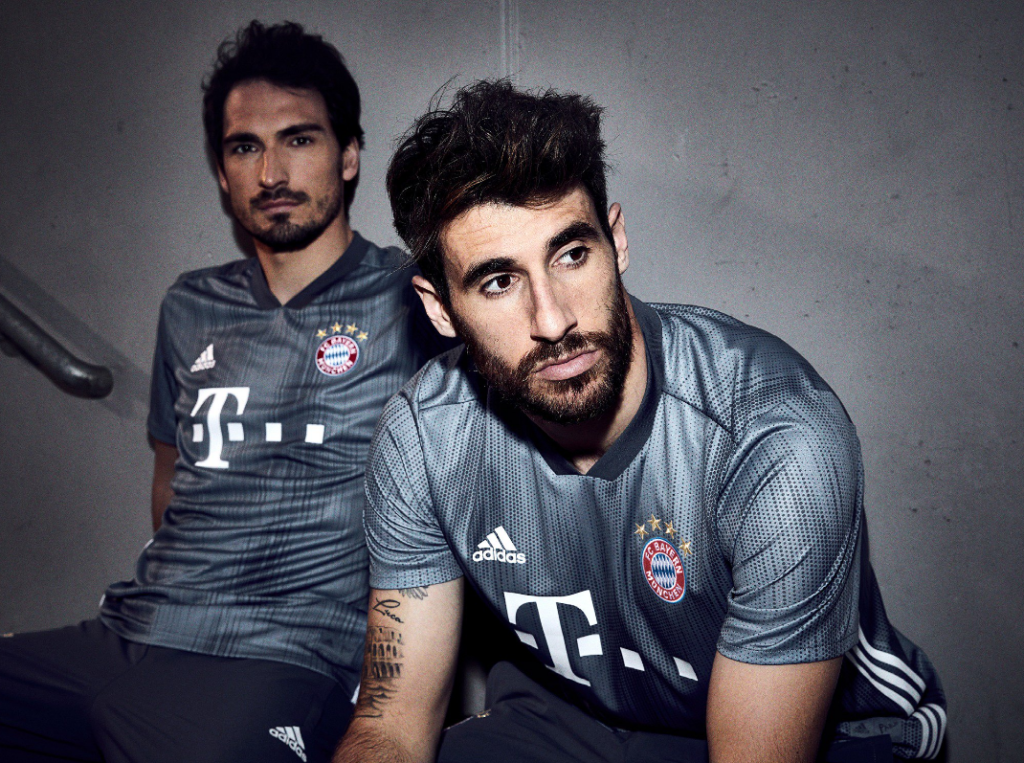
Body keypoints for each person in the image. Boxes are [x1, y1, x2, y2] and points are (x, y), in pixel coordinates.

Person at [333, 80, 947, 763]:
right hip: (578, 717)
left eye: (572, 254)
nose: (553, 320)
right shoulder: (424, 438)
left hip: (828, 734)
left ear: (616, 240)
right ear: (439, 308)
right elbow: (392, 724)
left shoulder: (772, 435)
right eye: (499, 282)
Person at [0, 21, 443, 763]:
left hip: (286, 655)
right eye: (245, 147)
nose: (271, 171)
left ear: (349, 155)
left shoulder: (412, 300)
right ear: (220, 171)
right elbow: (170, 479)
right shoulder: (191, 304)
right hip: (127, 634)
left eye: (299, 139)